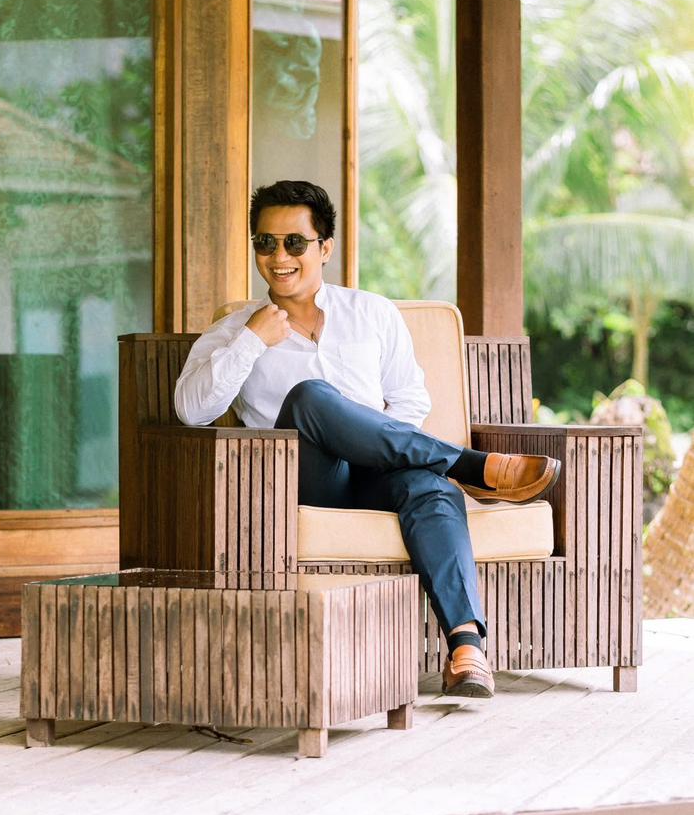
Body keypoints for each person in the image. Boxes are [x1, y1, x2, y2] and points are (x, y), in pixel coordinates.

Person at [174, 180, 559, 699]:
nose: (278, 255)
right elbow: (191, 411)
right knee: (312, 397)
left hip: (378, 475)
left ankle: (466, 646)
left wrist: (371, 441)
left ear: (325, 248)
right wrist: (252, 342)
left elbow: (410, 401)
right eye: (265, 242)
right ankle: (468, 464)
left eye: (294, 242)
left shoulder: (372, 313)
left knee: (432, 488)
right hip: (301, 481)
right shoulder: (234, 332)